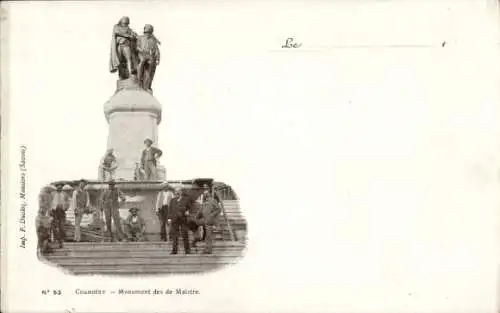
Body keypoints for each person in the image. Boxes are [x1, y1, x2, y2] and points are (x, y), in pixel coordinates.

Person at [192, 185, 221, 254]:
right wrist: (196, 217)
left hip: (209, 221)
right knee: (192, 223)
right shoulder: (204, 202)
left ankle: (208, 250)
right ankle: (197, 237)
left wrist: (212, 215)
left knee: (208, 236)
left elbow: (218, 209)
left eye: (206, 193)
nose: (205, 195)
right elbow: (200, 211)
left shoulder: (213, 200)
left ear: (209, 194)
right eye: (204, 194)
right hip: (204, 220)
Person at [167, 188, 193, 254]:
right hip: (175, 220)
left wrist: (188, 212)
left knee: (185, 235)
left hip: (183, 220)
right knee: (175, 236)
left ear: (181, 192)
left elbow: (191, 208)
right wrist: (169, 218)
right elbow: (170, 210)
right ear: (174, 193)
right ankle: (174, 251)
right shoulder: (172, 200)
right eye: (176, 192)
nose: (177, 193)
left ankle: (187, 251)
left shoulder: (186, 199)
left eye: (178, 191)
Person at [136, 24, 161, 92]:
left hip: (149, 55)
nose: (148, 34)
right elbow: (137, 46)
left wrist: (158, 58)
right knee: (142, 61)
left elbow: (156, 50)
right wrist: (140, 50)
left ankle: (146, 85)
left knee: (150, 66)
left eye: (149, 33)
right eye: (147, 32)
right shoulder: (140, 38)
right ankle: (138, 79)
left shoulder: (153, 41)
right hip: (141, 54)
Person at [50, 183, 69, 248]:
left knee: (62, 226)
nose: (60, 188)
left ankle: (62, 239)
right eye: (58, 187)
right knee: (55, 226)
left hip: (61, 211)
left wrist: (66, 207)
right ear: (56, 187)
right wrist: (50, 210)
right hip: (54, 211)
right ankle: (56, 239)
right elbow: (49, 202)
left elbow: (67, 201)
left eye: (61, 187)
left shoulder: (64, 194)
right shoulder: (52, 194)